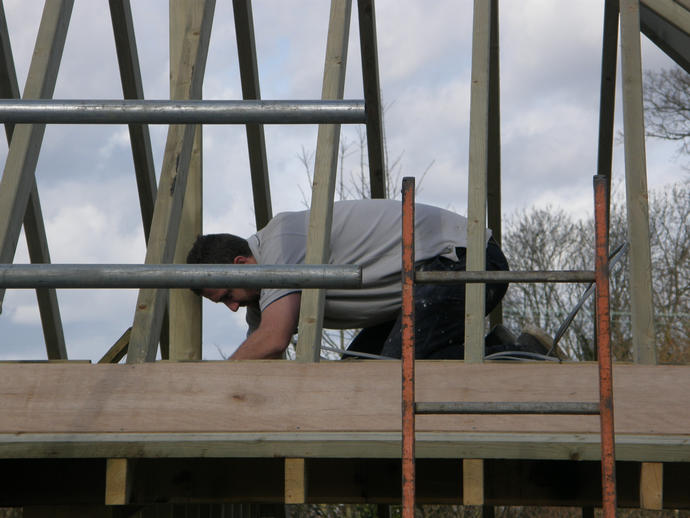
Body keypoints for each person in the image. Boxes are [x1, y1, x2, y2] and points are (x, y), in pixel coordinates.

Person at [186, 198, 511, 360]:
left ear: (241, 264)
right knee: (358, 376)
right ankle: (497, 350)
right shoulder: (262, 300)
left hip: (465, 262)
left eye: (227, 294)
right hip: (421, 284)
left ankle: (512, 355)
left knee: (393, 376)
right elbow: (261, 356)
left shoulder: (280, 242)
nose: (231, 307)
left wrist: (214, 384)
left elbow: (274, 339)